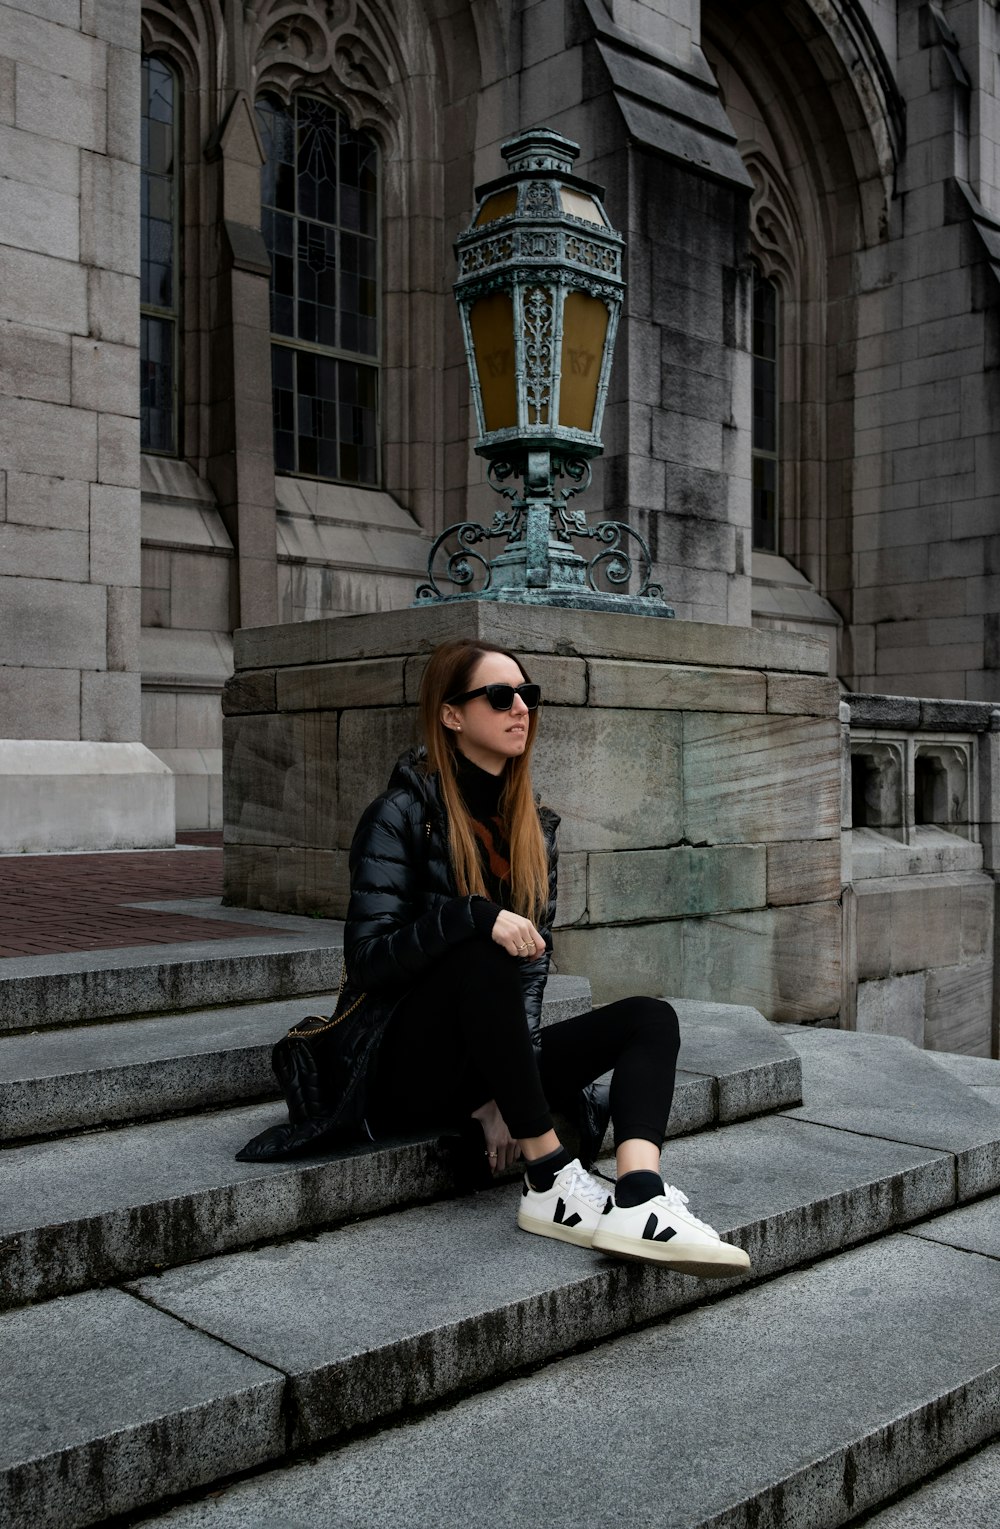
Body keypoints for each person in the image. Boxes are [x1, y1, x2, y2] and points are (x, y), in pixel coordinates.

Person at [344, 637, 751, 1278]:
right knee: (481, 948)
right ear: (452, 714)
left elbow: (529, 972)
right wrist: (474, 916)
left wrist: (513, 1089)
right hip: (402, 1063)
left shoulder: (531, 827)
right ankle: (550, 1177)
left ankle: (639, 1196)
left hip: (484, 1059)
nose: (520, 710)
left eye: (527, 696)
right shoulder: (398, 815)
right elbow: (367, 962)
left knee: (650, 1018)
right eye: (500, 696)